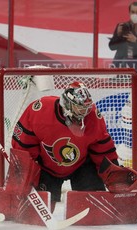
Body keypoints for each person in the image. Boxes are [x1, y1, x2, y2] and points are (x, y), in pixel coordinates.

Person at [11, 81, 119, 210]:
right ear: (67, 104)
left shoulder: (93, 116)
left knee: (93, 208)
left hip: (82, 166)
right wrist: (24, 171)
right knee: (34, 213)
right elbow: (24, 145)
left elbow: (103, 149)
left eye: (87, 107)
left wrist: (114, 172)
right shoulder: (40, 111)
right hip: (46, 167)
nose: (85, 111)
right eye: (80, 107)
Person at [108, 1, 137, 76]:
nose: (135, 14)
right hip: (120, 66)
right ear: (129, 13)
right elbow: (112, 47)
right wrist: (118, 34)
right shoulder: (122, 27)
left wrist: (136, 40)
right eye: (132, 12)